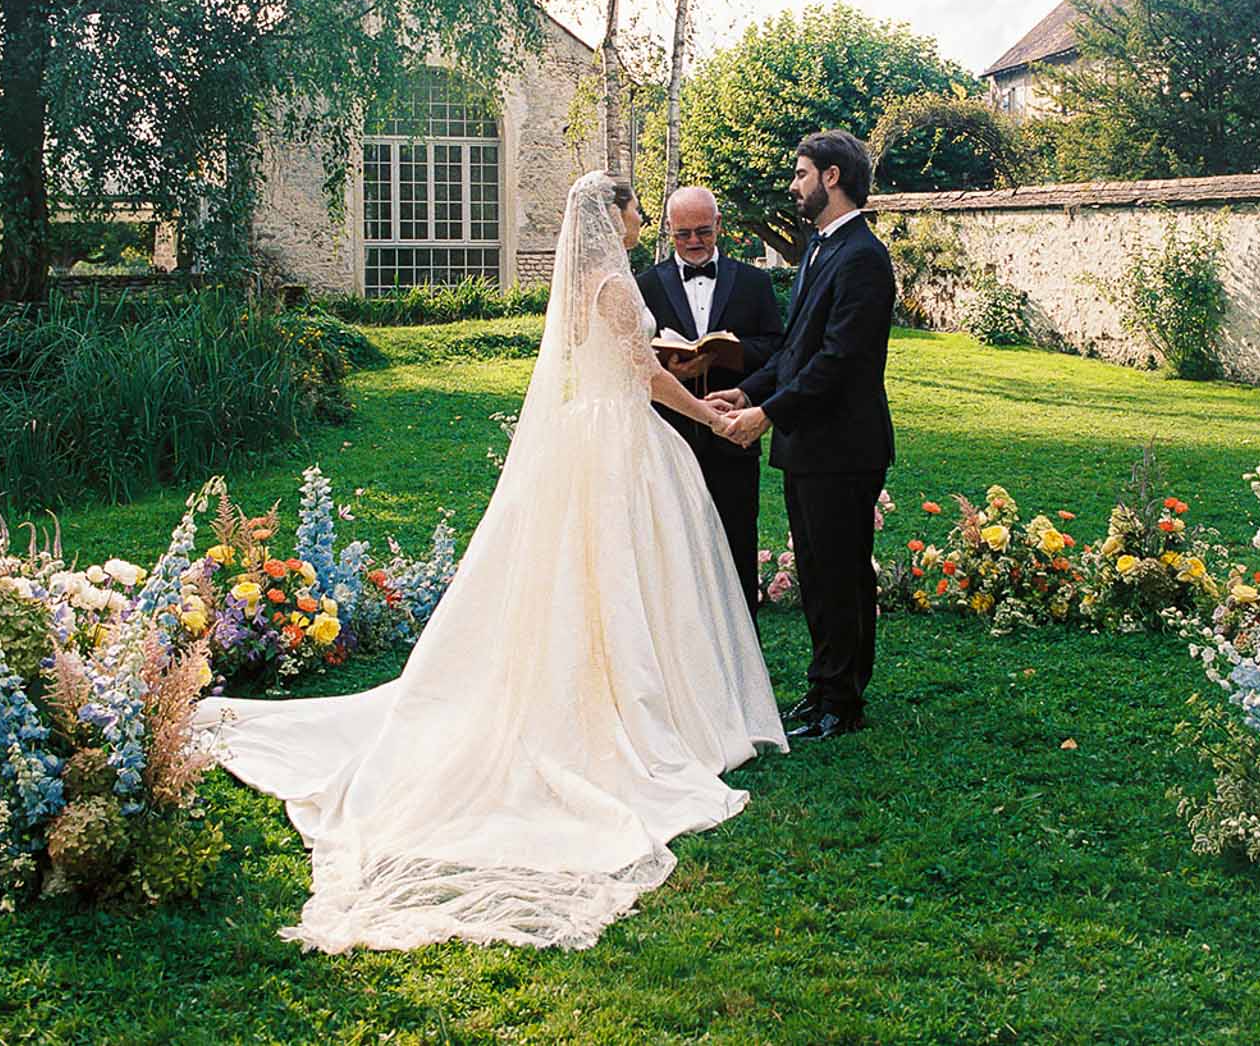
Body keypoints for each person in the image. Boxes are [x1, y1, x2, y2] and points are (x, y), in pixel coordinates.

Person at [195, 172, 785, 953]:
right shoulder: (614, 283)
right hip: (622, 440)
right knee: (622, 573)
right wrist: (706, 410)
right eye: (639, 208)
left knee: (599, 575)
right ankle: (637, 705)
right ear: (616, 217)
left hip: (597, 435)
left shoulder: (590, 280)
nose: (645, 219)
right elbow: (641, 375)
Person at [710, 131, 896, 742]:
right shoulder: (822, 247)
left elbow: (839, 360)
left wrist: (766, 416)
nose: (793, 185)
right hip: (810, 447)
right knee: (817, 574)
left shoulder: (864, 257)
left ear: (832, 177)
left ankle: (842, 703)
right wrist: (749, 391)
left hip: (843, 447)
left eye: (800, 173)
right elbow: (796, 348)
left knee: (841, 576)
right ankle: (822, 690)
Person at [634, 186, 785, 620]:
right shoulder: (645, 284)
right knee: (671, 544)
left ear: (719, 225)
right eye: (684, 234)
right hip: (668, 434)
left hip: (734, 428)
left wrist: (733, 354)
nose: (695, 242)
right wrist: (671, 368)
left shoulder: (754, 281)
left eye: (703, 231)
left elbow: (776, 346)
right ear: (669, 230)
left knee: (736, 538)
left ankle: (742, 646)